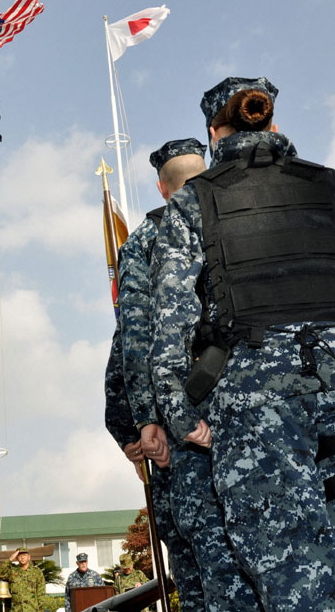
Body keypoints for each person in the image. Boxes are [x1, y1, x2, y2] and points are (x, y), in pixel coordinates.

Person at [151, 76, 335, 612]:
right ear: (273, 122)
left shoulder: (194, 201)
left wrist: (185, 422)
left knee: (293, 581)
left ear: (214, 132)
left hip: (257, 408)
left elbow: (170, 329)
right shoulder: (329, 186)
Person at [121, 139, 262, 612]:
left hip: (189, 414)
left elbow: (137, 337)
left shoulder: (147, 238)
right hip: (268, 402)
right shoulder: (248, 206)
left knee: (209, 563)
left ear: (163, 188)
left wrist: (144, 419)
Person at [0, 548, 46, 612]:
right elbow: (0, 573)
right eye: (19, 555)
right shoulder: (13, 571)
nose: (22, 557)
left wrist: (40, 609)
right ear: (16, 558)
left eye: (24, 555)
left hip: (32, 609)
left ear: (29, 557)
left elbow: (41, 592)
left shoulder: (36, 572)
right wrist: (10, 559)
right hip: (16, 609)